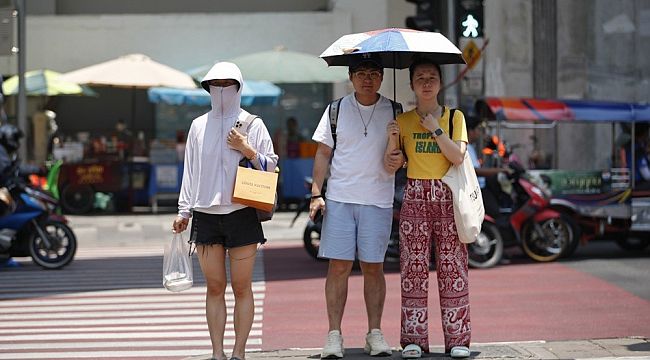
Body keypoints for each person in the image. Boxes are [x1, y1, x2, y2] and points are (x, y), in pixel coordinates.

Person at [171, 61, 277, 360]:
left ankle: (239, 352)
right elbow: (190, 171)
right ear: (206, 88)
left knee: (242, 287)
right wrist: (184, 211)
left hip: (242, 212)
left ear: (239, 87)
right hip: (205, 214)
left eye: (227, 84)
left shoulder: (253, 124)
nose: (220, 89)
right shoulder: (198, 125)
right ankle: (217, 353)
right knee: (214, 287)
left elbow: (270, 165)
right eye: (214, 84)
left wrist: (247, 149)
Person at [309, 53, 397, 359]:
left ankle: (375, 333)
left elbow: (400, 159)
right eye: (361, 73)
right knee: (339, 267)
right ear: (351, 77)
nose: (368, 78)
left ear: (382, 77)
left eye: (374, 73)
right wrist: (316, 193)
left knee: (374, 267)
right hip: (341, 199)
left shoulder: (395, 112)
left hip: (378, 199)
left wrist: (397, 153)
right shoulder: (335, 110)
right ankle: (334, 334)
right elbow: (322, 153)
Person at [385, 57, 471, 359]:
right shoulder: (403, 121)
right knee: (413, 269)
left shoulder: (453, 117)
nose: (425, 82)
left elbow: (457, 157)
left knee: (453, 268)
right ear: (411, 84)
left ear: (440, 83)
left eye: (431, 77)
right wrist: (392, 143)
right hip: (414, 195)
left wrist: (435, 129)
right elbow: (391, 164)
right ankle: (413, 339)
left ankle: (458, 339)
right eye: (419, 77)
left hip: (447, 194)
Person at [466, 117, 510, 219]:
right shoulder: (466, 148)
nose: (479, 133)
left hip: (481, 187)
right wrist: (500, 170)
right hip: (478, 190)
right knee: (495, 213)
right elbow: (476, 171)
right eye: (477, 130)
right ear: (470, 131)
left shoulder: (471, 147)